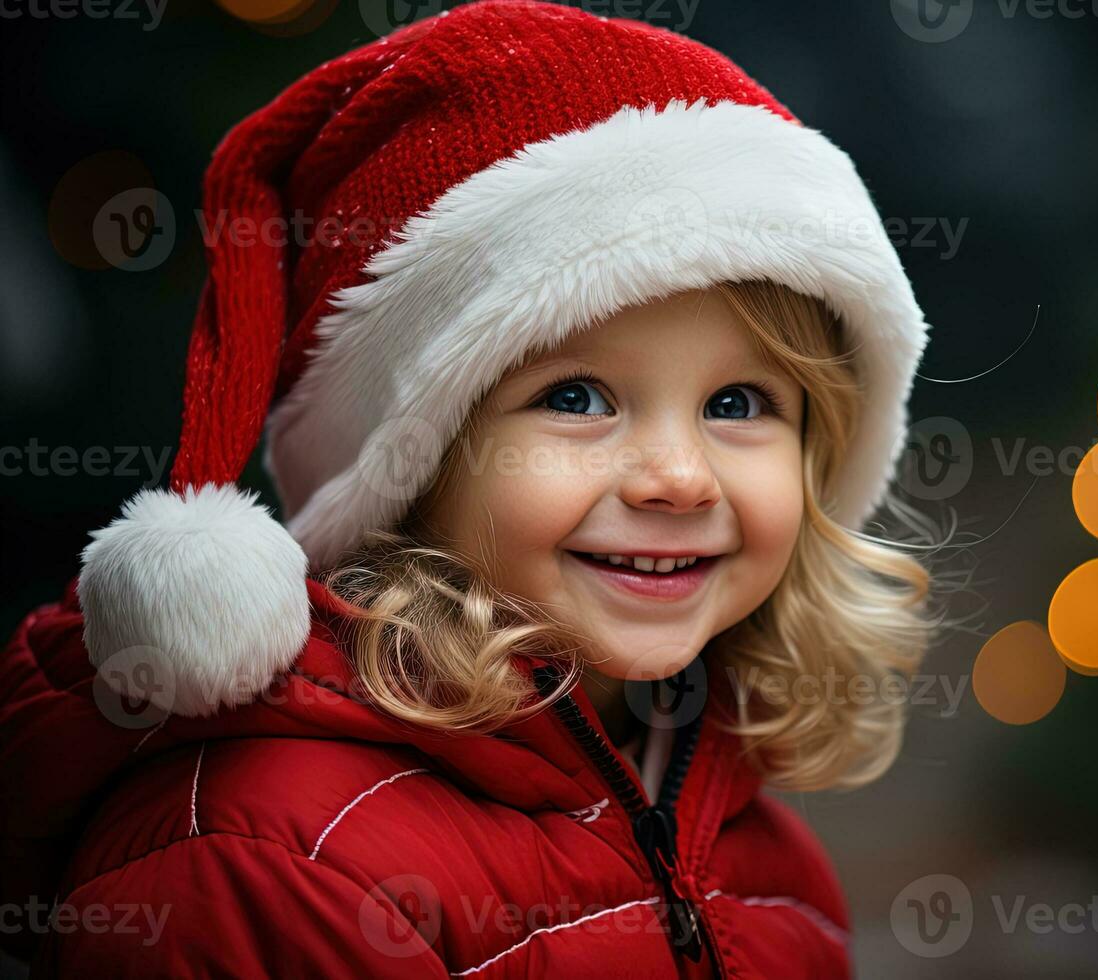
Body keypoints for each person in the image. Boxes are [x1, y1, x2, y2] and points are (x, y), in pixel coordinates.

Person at [0, 2, 939, 975]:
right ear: (411, 461)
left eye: (740, 401)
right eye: (576, 396)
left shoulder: (772, 866)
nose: (679, 475)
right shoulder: (266, 861)